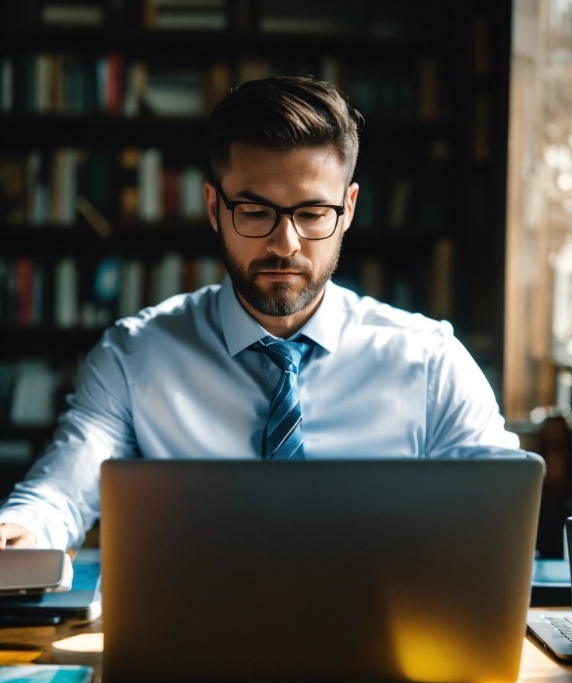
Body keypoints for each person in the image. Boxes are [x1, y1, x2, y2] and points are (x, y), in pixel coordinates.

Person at [0, 76, 520, 551]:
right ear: (213, 207)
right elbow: (59, 494)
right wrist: (20, 532)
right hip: (191, 643)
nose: (284, 243)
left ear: (349, 210)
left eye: (313, 213)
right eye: (254, 212)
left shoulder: (429, 361)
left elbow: (504, 510)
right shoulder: (136, 355)